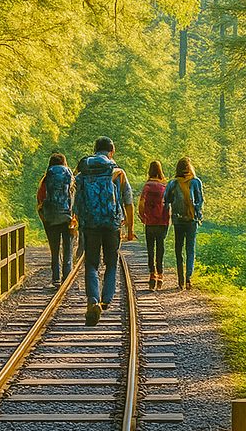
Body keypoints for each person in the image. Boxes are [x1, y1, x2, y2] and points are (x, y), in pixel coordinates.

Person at [74, 136, 135, 325]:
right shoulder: (117, 172)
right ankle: (106, 300)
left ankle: (92, 300)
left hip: (90, 224)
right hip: (112, 224)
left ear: (94, 150)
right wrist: (130, 228)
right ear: (112, 151)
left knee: (91, 264)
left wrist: (76, 219)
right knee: (111, 262)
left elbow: (75, 198)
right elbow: (128, 201)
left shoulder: (83, 171)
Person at [164, 157, 204, 290]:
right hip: (192, 220)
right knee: (190, 250)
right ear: (190, 168)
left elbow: (167, 199)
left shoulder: (173, 183)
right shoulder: (196, 182)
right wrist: (197, 213)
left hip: (178, 220)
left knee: (178, 249)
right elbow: (200, 200)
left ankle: (180, 279)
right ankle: (188, 278)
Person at [35, 152, 74, 285]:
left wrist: (43, 215)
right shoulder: (69, 176)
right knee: (68, 248)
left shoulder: (46, 179)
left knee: (55, 249)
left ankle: (56, 277)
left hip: (50, 217)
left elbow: (40, 198)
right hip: (67, 216)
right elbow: (73, 197)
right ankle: (67, 276)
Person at [136, 160, 171, 290]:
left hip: (150, 222)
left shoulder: (147, 186)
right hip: (163, 222)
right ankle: (160, 275)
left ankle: (152, 275)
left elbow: (141, 203)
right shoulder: (164, 186)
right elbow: (168, 204)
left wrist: (142, 216)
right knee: (160, 248)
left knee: (150, 249)